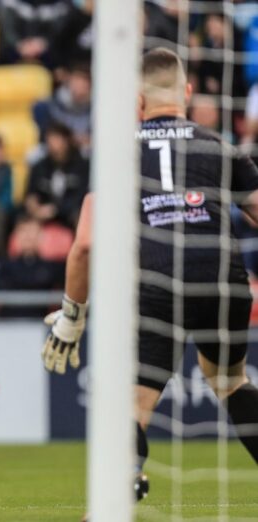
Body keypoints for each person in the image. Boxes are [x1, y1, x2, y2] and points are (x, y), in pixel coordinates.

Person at [43, 48, 258, 505]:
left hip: (157, 283)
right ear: (187, 91)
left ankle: (121, 486)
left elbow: (83, 245)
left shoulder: (120, 153)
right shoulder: (218, 145)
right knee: (228, 380)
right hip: (223, 279)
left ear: (135, 102)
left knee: (131, 404)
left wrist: (72, 318)